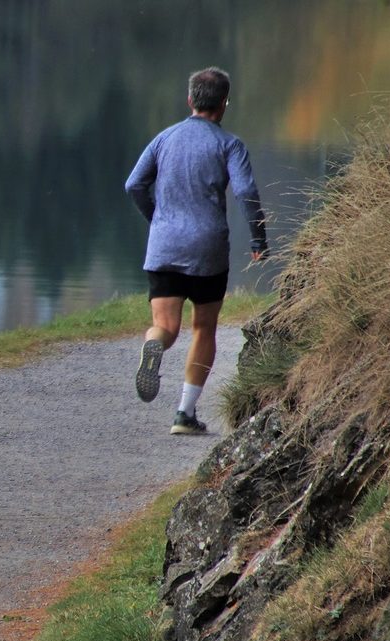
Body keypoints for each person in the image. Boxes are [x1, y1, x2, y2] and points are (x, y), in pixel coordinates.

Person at [123, 67, 268, 434]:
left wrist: (156, 218)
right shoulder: (229, 144)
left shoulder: (163, 139)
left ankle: (154, 345)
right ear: (223, 104)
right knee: (204, 328)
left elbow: (134, 184)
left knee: (165, 325)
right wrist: (258, 238)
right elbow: (246, 192)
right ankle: (184, 414)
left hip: (164, 245)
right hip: (207, 248)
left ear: (189, 101)